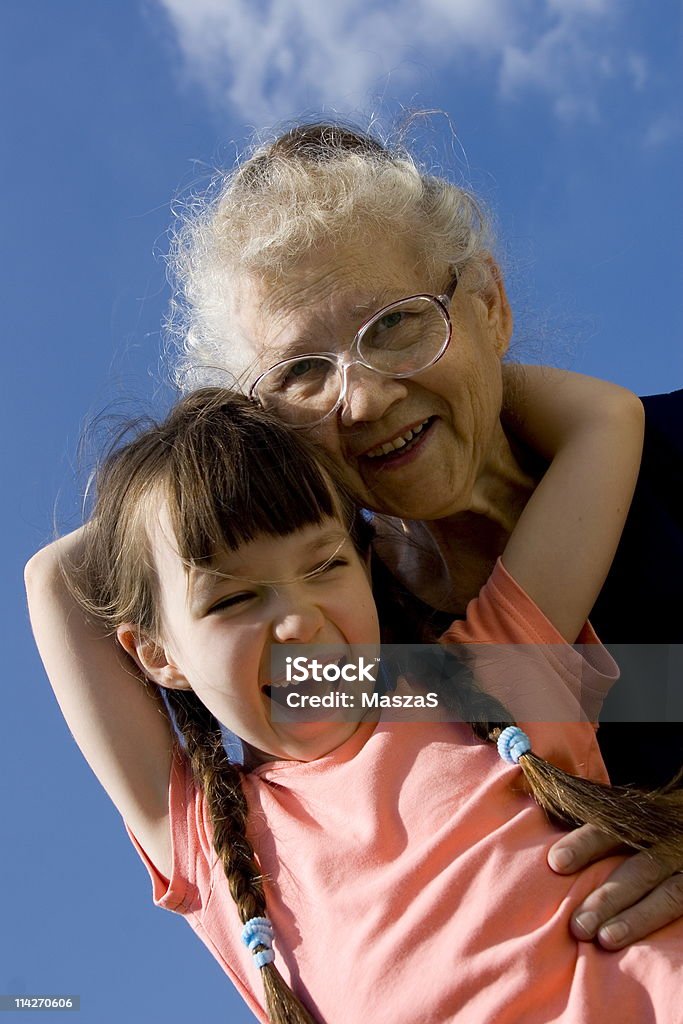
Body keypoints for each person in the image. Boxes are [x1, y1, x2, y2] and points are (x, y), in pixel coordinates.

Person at [163, 120, 683, 947]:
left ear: (489, 306)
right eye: (300, 373)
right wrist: (204, 479)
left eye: (398, 325)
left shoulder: (669, 450)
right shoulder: (338, 653)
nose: (363, 400)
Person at [26, 382, 683, 1024]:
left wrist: (319, 418)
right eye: (229, 599)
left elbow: (605, 417)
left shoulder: (486, 672)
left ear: (366, 571)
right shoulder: (205, 840)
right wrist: (207, 464)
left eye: (324, 566)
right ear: (158, 654)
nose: (297, 624)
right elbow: (51, 579)